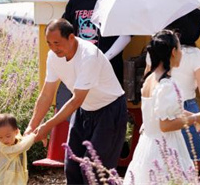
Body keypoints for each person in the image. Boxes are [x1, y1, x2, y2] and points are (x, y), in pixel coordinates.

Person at [27, 19, 128, 185]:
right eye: (49, 43)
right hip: (84, 110)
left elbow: (76, 100)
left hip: (110, 110)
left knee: (94, 171)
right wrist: (32, 126)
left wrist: (47, 126)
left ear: (71, 37)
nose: (53, 48)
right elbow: (46, 94)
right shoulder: (53, 56)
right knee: (72, 166)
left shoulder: (89, 55)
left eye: (57, 43)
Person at [124, 30, 200, 185]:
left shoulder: (149, 79)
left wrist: (198, 117)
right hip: (166, 147)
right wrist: (196, 117)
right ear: (173, 52)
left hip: (148, 145)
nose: (181, 53)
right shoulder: (167, 85)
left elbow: (167, 111)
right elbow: (166, 125)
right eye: (180, 49)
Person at [58, 0, 130, 114]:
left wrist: (104, 58)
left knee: (105, 116)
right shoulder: (76, 0)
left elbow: (126, 35)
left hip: (108, 71)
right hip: (80, 69)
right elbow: (65, 31)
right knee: (79, 114)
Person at [167, 9, 200, 161]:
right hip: (187, 111)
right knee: (188, 164)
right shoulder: (196, 55)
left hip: (160, 112)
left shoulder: (155, 51)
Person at [0, 113, 36, 185]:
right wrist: (34, 136)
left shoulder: (18, 141)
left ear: (16, 132)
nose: (4, 140)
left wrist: (37, 134)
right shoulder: (2, 148)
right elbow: (21, 147)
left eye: (8, 136)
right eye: (0, 137)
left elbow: (25, 144)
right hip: (3, 181)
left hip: (17, 179)